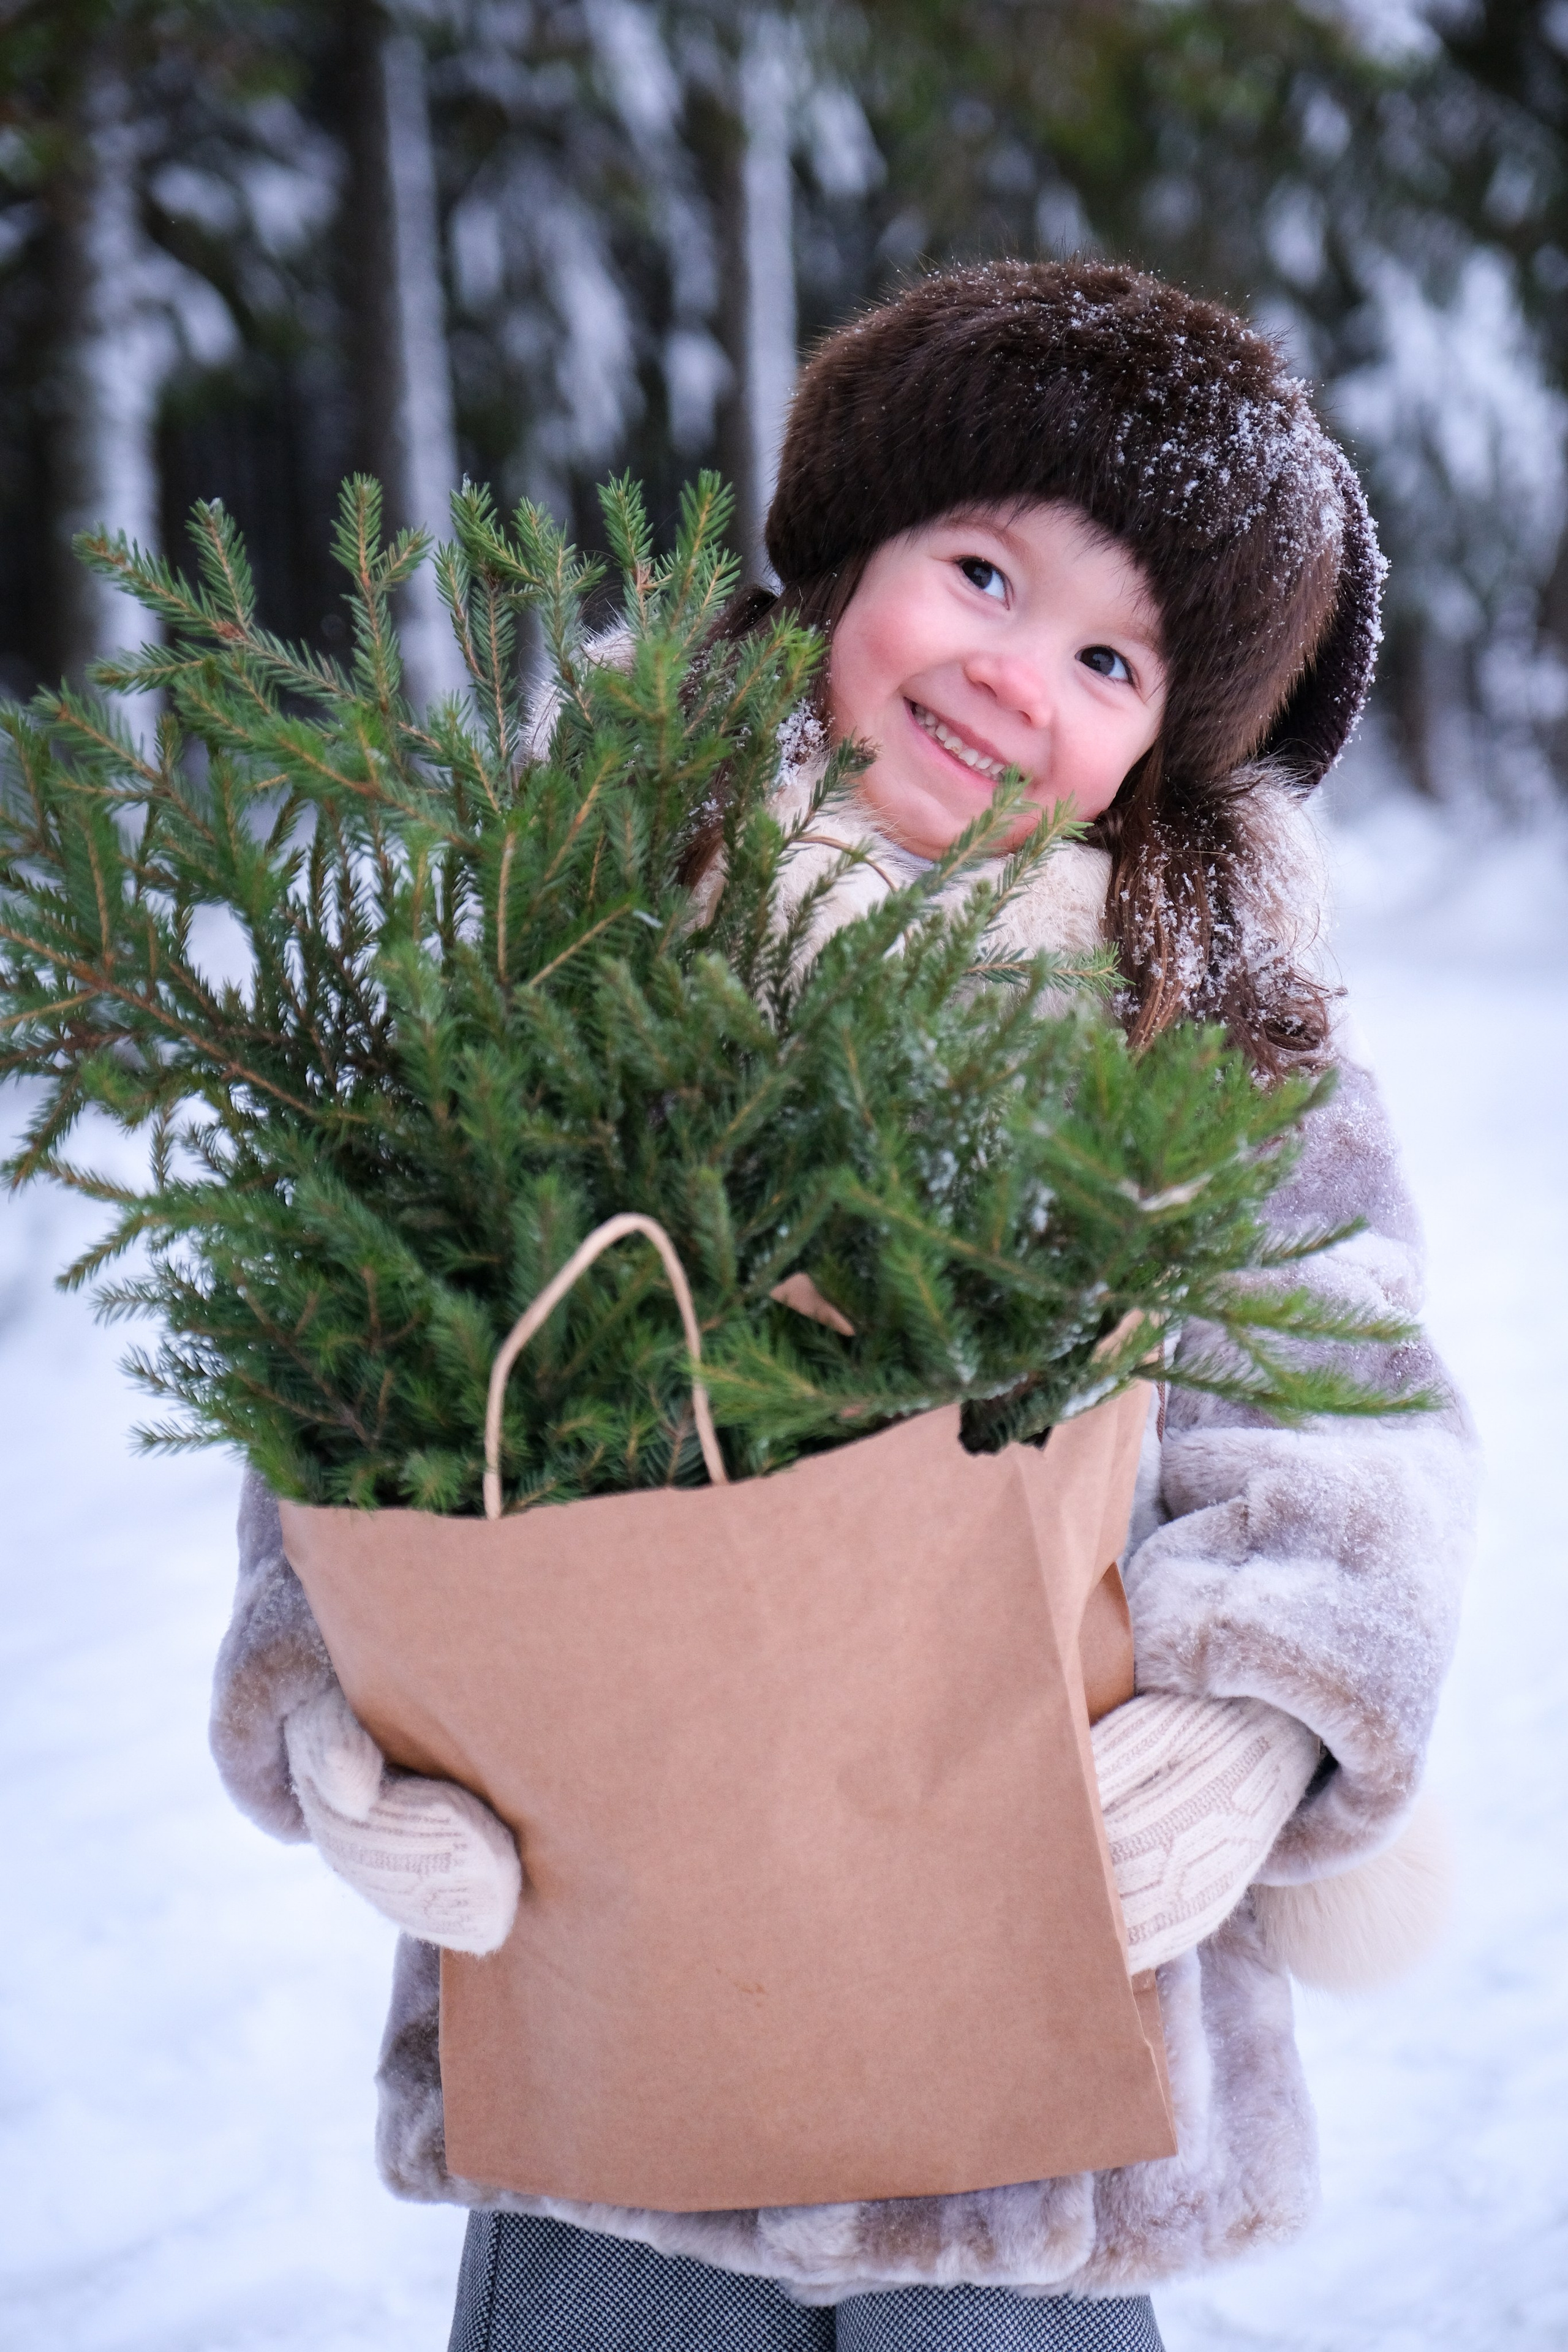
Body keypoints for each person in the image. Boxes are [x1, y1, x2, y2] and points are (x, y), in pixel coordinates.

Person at [210, 262, 1476, 2351]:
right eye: (978, 571)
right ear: (843, 559)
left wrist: (1260, 1715)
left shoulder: (1206, 1047)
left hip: (1031, 2066)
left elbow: (1350, 1410)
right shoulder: (582, 924)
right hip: (621, 2011)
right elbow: (372, 1352)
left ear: (1165, 748)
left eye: (1109, 659)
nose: (1013, 675)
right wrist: (345, 1708)